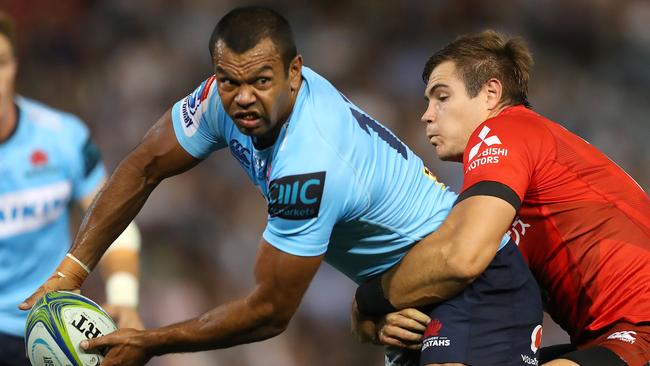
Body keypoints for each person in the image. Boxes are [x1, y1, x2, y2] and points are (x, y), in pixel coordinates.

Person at [21, 7, 542, 366]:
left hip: (476, 284)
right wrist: (71, 270)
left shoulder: (309, 161)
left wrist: (149, 343)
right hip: (409, 294)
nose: (244, 97)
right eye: (230, 82)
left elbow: (270, 312)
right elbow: (143, 167)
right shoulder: (216, 101)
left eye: (261, 82)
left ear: (295, 73)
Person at [354, 30, 650, 366]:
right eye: (427, 102)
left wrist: (369, 300)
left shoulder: (504, 131)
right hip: (612, 336)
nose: (427, 114)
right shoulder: (521, 169)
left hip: (638, 329)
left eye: (442, 97)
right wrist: (390, 322)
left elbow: (460, 258)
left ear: (491, 93)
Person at [0, 11, 143, 366]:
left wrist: (124, 298)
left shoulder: (63, 137)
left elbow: (114, 220)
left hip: (47, 331)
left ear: (15, 65)